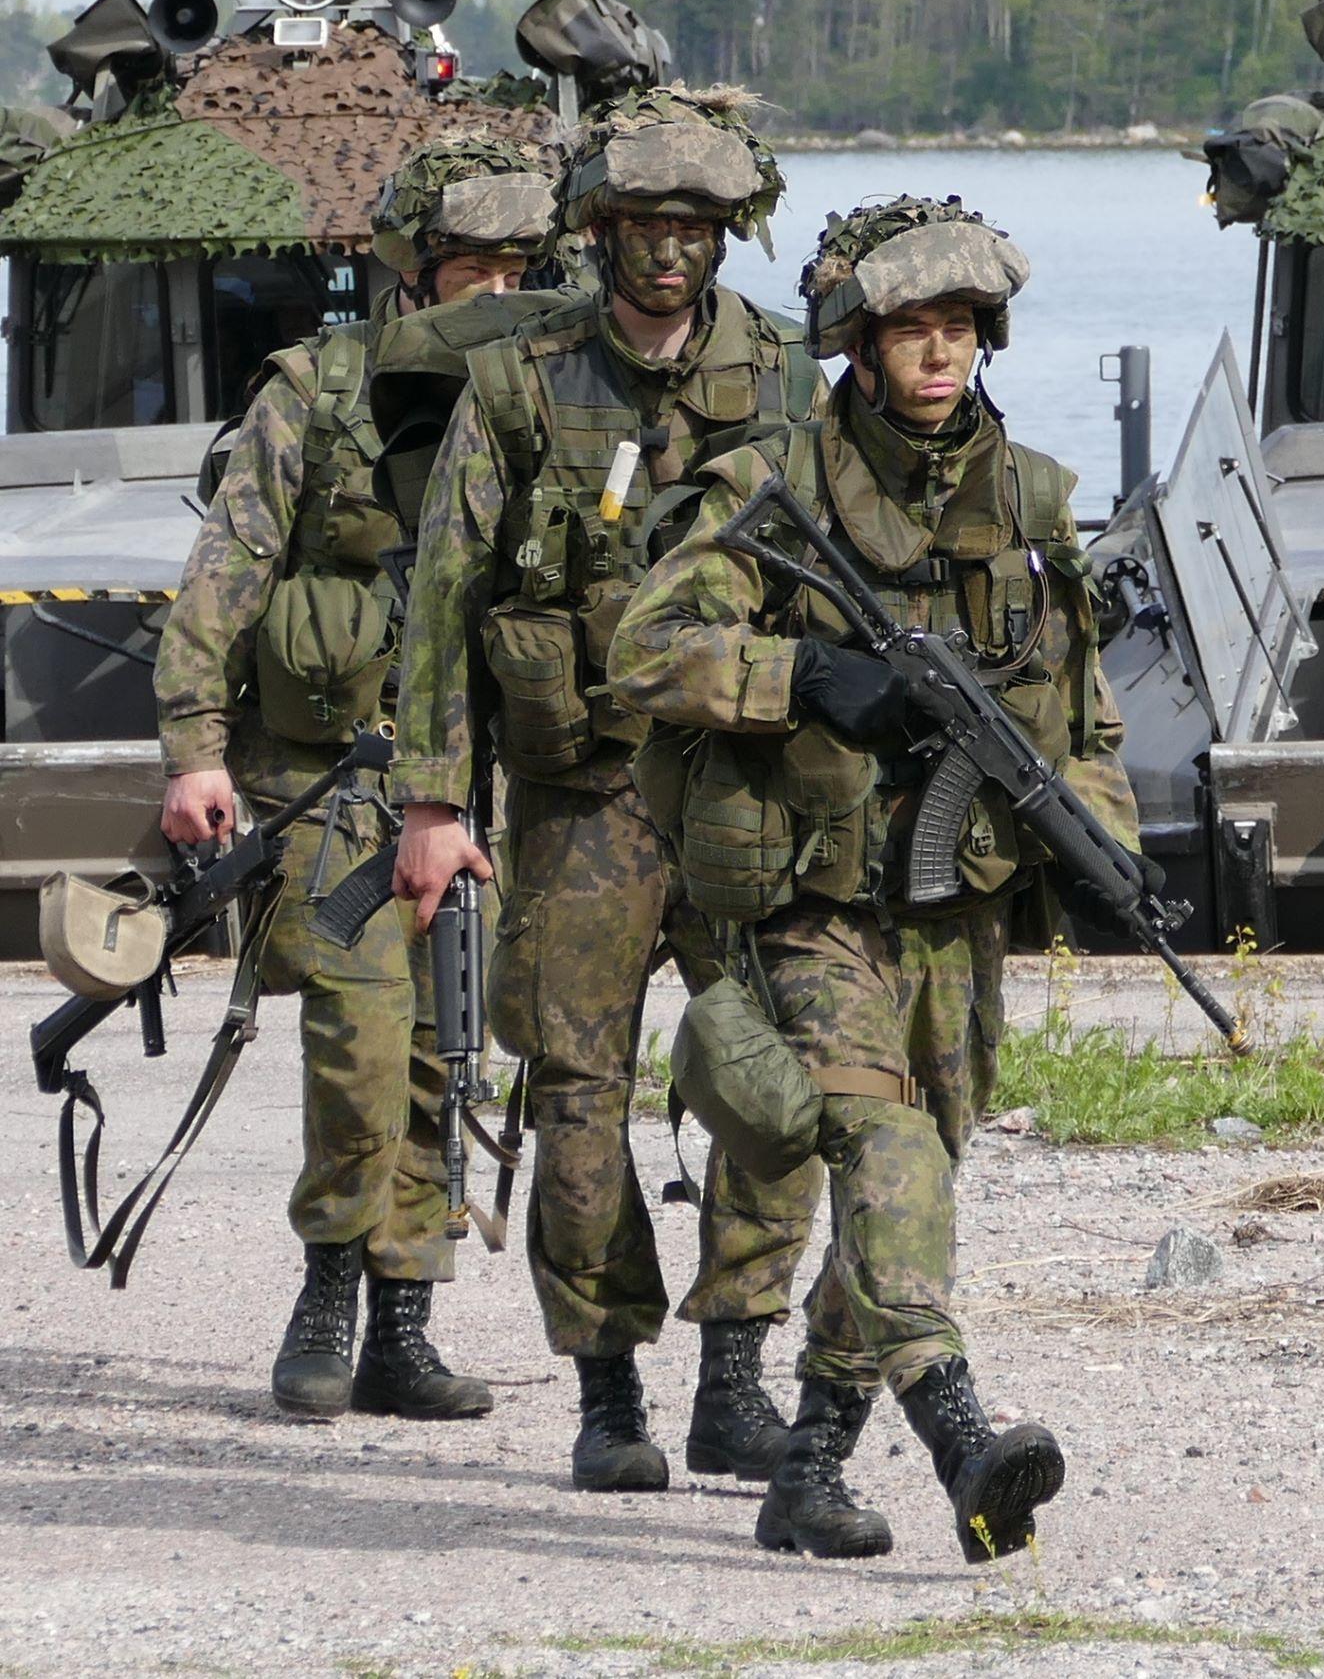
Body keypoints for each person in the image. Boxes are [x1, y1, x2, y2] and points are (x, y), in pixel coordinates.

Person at [610, 196, 1107, 1561]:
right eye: (910, 330)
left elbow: (1084, 720)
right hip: (807, 900)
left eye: (958, 328)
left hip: (955, 909)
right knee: (882, 1149)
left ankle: (811, 1462)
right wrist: (804, 674)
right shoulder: (773, 479)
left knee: (914, 1184)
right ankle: (960, 1429)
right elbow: (642, 651)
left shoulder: (1036, 502)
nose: (938, 354)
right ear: (858, 343)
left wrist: (1103, 850)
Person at [384, 89, 824, 1492]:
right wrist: (436, 804)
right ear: (598, 230)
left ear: (726, 236)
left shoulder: (795, 381)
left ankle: (738, 1373)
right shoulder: (523, 379)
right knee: (576, 1089)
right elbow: (445, 596)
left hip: (748, 787)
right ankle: (608, 1384)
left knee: (772, 1074)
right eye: (640, 227)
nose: (664, 257)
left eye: (692, 229)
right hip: (583, 793)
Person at [149, 130, 559, 1420]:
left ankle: (404, 1317)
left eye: (516, 270)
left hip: (470, 775)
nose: (494, 296)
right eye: (468, 271)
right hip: (329, 779)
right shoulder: (319, 391)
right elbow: (224, 575)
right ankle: (327, 1283)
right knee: (361, 1041)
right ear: (413, 271)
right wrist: (194, 750)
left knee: (448, 1043)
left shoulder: (548, 402)